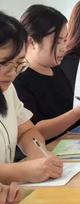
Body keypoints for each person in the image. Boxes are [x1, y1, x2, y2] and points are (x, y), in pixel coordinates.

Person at [14, 5, 80, 140]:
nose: (64, 47)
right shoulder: (18, 80)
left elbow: (69, 112)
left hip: (73, 143)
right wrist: (76, 114)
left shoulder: (56, 69)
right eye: (58, 41)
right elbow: (34, 132)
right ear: (31, 41)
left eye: (65, 40)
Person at [0, 12, 63, 183]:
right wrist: (21, 171)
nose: (12, 73)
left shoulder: (7, 89)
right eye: (4, 63)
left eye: (19, 63)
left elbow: (27, 130)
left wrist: (38, 153)